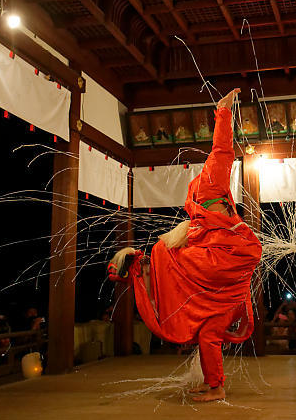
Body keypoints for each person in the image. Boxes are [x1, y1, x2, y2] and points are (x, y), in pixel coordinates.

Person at [109, 88, 262, 402]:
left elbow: (223, 149)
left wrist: (223, 112)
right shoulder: (204, 222)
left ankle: (216, 386)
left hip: (226, 286)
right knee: (205, 332)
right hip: (219, 290)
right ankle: (213, 383)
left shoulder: (212, 192)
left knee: (168, 257)